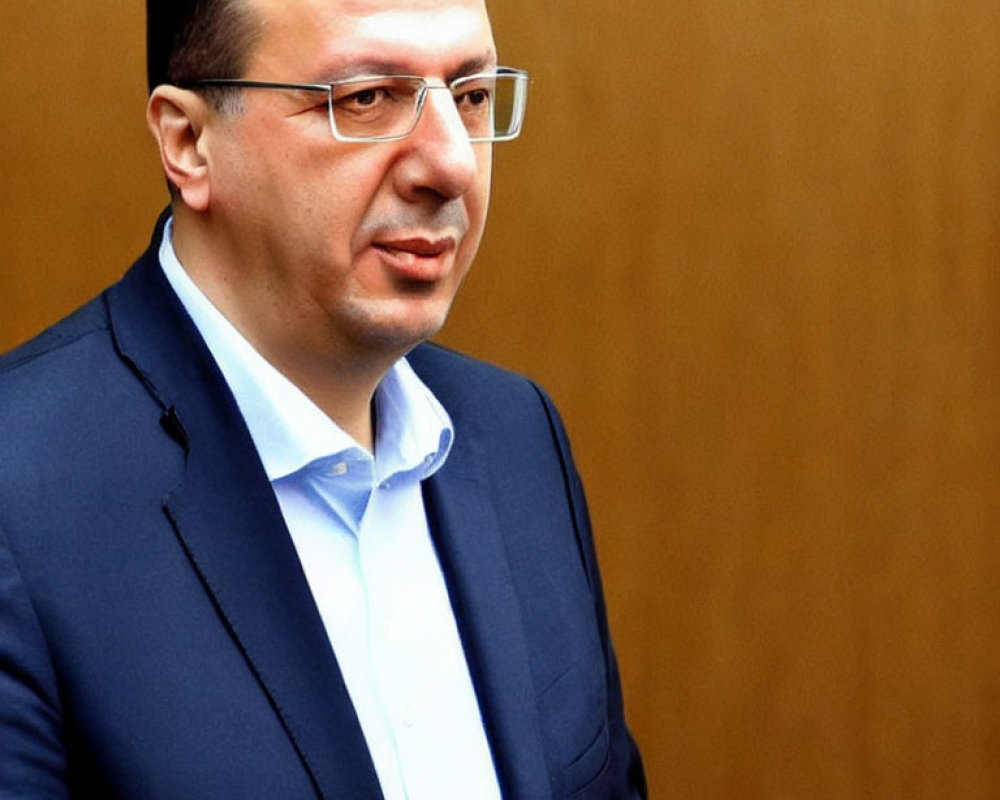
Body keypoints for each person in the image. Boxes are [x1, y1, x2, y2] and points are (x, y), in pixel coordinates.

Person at [0, 0, 646, 797]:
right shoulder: (20, 501)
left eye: (471, 95)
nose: (451, 165)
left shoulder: (518, 438)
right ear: (189, 143)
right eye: (366, 98)